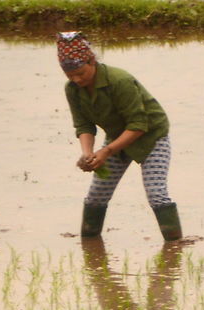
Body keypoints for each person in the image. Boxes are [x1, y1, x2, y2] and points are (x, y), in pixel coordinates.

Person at [58, 31, 182, 241]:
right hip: (118, 137)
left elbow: (138, 125)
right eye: (70, 75)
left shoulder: (119, 81)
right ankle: (90, 247)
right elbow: (84, 125)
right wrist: (88, 154)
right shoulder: (73, 90)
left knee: (156, 194)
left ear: (92, 61)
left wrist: (106, 152)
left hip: (151, 137)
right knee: (96, 196)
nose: (76, 79)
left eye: (80, 73)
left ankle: (174, 247)